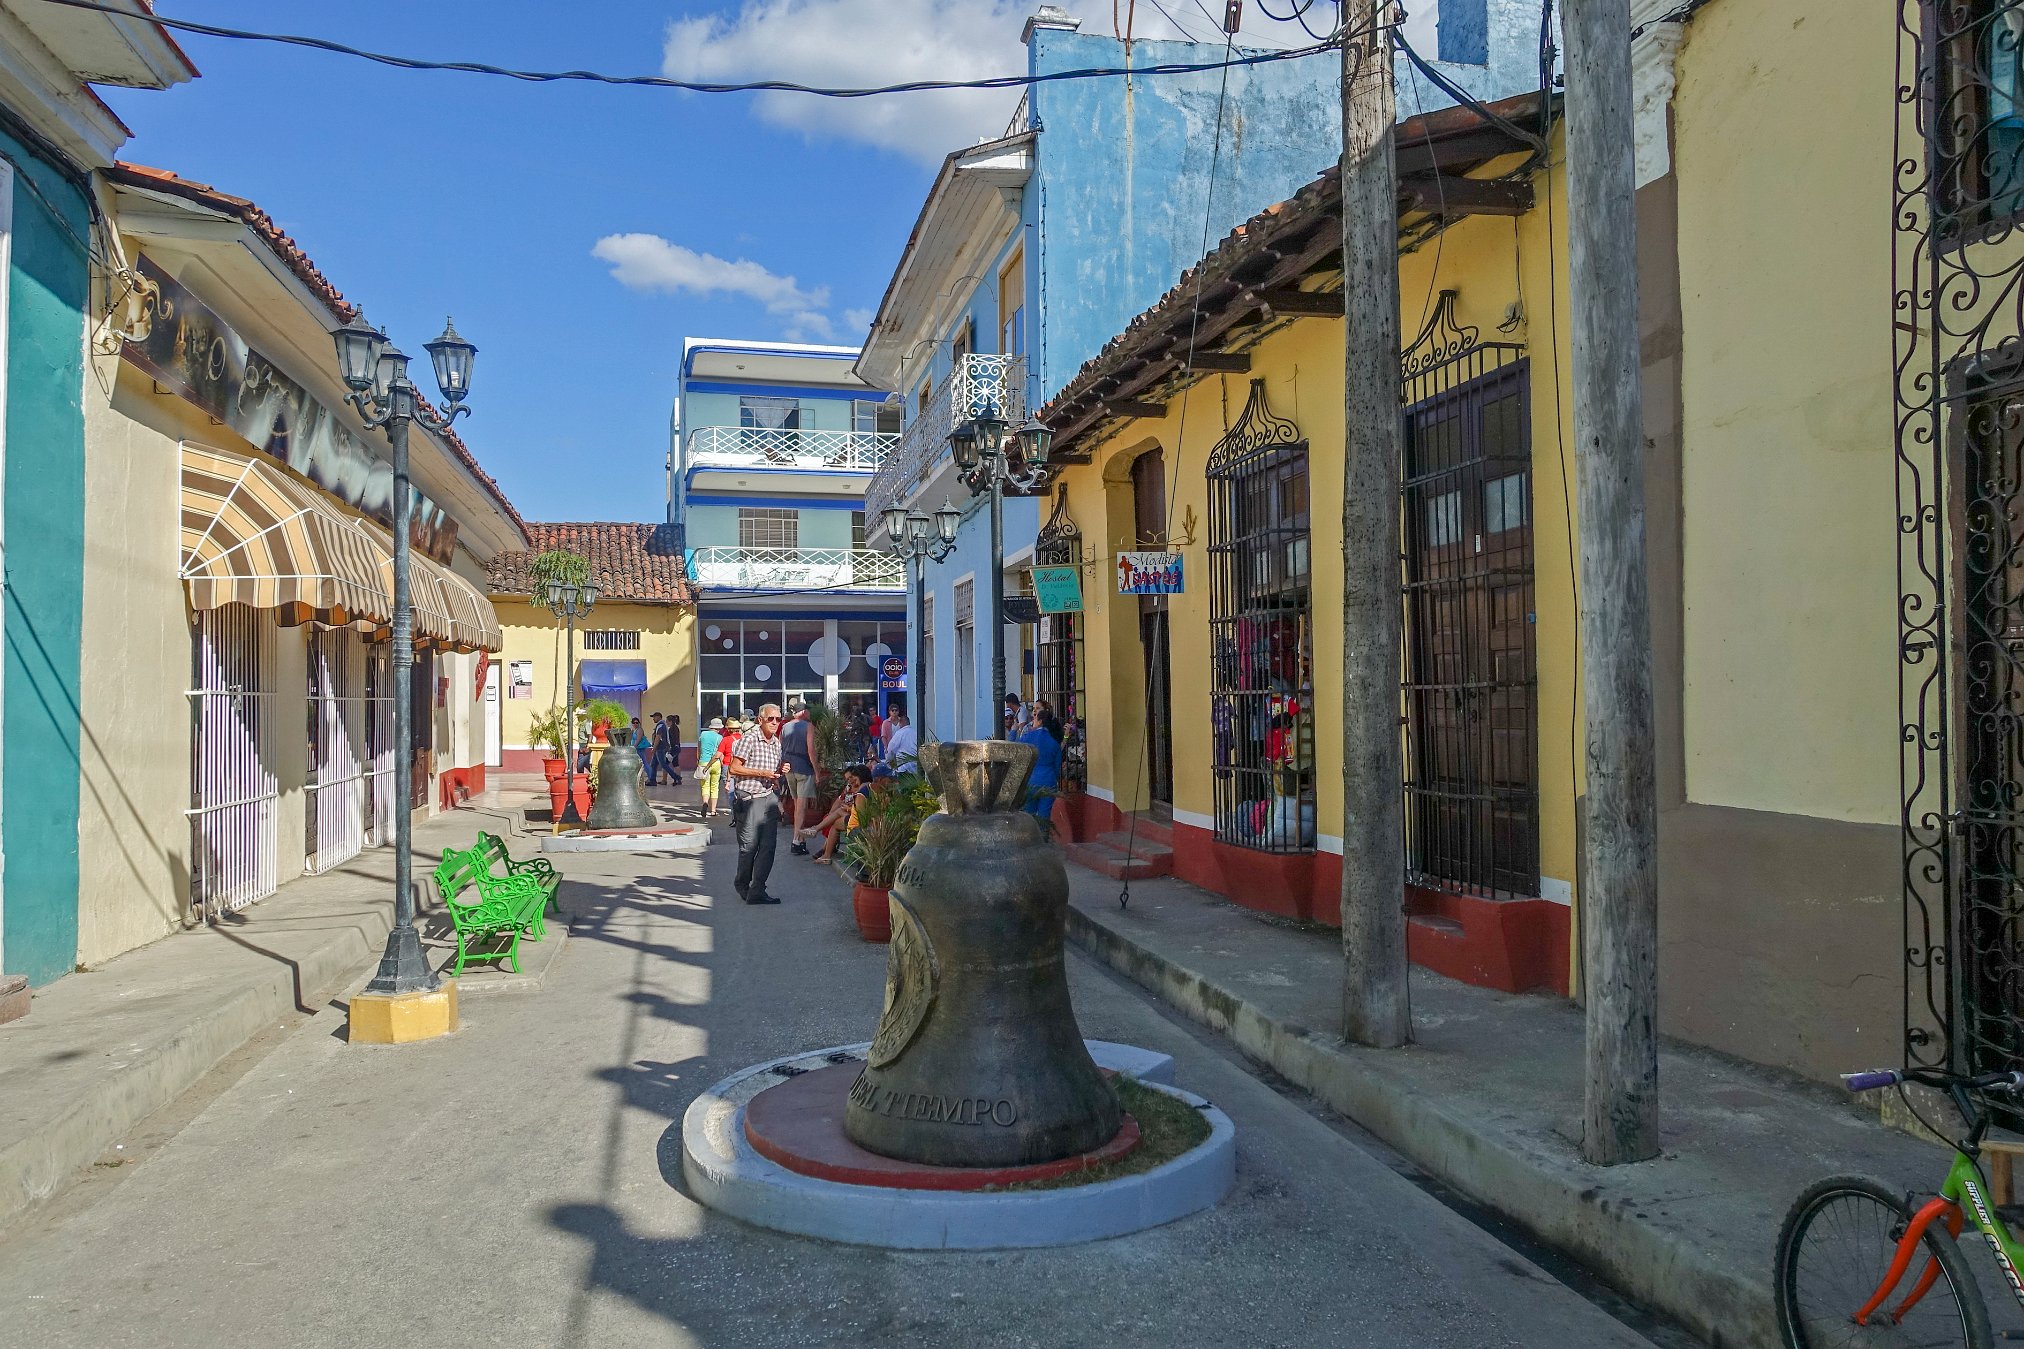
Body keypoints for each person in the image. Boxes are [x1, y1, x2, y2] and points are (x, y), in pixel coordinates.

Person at [727, 705, 788, 905]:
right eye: (770, 719)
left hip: (768, 797)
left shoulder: (776, 743)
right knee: (749, 848)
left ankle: (758, 890)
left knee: (768, 847)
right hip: (749, 799)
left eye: (778, 719)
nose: (775, 722)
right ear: (760, 720)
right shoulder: (750, 739)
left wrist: (781, 769)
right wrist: (762, 773)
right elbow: (734, 768)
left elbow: (773, 772)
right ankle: (742, 885)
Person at [807, 762, 871, 865]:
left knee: (836, 819)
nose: (851, 780)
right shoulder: (865, 787)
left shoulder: (863, 790)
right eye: (849, 779)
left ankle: (823, 847)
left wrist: (848, 808)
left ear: (861, 776)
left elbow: (860, 812)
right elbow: (840, 800)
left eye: (853, 777)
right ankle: (823, 847)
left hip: (859, 821)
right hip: (857, 817)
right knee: (834, 817)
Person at [780, 703, 818, 854]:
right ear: (803, 712)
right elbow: (811, 750)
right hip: (804, 768)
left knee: (797, 805)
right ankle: (796, 840)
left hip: (789, 767)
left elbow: (780, 747)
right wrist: (817, 771)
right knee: (801, 807)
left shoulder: (785, 727)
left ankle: (800, 840)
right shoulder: (808, 726)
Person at [1017, 705, 1062, 821]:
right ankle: (1043, 832)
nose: (1033, 722)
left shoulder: (1026, 738)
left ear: (1040, 721)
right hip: (1048, 781)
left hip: (1030, 781)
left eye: (1035, 719)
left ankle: (1031, 832)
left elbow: (1015, 752)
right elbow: (1057, 767)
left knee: (1028, 815)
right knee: (1044, 816)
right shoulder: (1054, 743)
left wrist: (1013, 731)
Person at [697, 717, 725, 818]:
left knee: (705, 786)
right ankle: (713, 810)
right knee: (714, 787)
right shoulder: (720, 737)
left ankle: (705, 802)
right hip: (715, 763)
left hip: (704, 762)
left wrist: (698, 759)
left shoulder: (703, 734)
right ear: (719, 728)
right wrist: (723, 764)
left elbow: (699, 748)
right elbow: (720, 753)